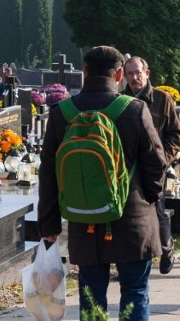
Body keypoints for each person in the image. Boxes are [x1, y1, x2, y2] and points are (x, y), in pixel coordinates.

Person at [38, 46, 167, 320]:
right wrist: (150, 198)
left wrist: (48, 224)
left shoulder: (62, 112)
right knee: (135, 290)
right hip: (133, 218)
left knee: (91, 293)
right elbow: (156, 163)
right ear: (119, 73)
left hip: (84, 218)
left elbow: (48, 172)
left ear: (85, 72)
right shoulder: (135, 109)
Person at [122, 56, 180, 274]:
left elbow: (175, 134)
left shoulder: (161, 99)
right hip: (128, 169)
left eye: (138, 73)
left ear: (147, 74)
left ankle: (166, 250)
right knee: (128, 214)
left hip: (155, 169)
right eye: (130, 74)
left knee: (157, 211)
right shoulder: (120, 100)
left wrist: (163, 160)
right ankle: (131, 258)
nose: (134, 78)